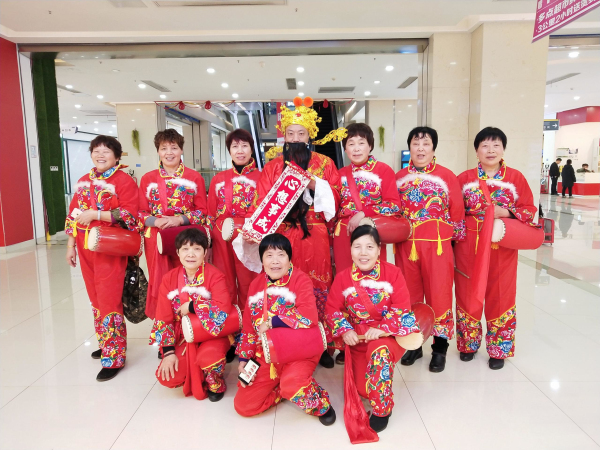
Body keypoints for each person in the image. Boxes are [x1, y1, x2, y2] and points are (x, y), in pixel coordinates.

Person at [236, 97, 344, 368]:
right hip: (283, 235)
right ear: (284, 136)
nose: (296, 138)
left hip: (316, 234)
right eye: (291, 133)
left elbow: (337, 198)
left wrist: (313, 184)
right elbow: (260, 203)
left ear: (310, 136)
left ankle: (321, 344)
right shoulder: (273, 167)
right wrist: (252, 228)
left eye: (301, 133)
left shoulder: (325, 164)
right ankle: (284, 339)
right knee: (285, 285)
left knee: (319, 286)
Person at [454, 127, 538, 370]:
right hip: (469, 246)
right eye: (485, 145)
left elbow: (529, 210)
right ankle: (468, 344)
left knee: (501, 294)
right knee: (467, 292)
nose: (490, 150)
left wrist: (508, 212)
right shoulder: (464, 178)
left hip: (502, 246)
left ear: (503, 149)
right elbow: (455, 212)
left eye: (496, 145)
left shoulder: (516, 178)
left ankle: (498, 349)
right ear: (476, 150)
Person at [234, 233, 336, 425]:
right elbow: (248, 328)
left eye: (281, 254)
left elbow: (309, 316)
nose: (275, 261)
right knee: (243, 406)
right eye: (269, 255)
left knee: (292, 383)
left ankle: (320, 403)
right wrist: (244, 360)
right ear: (261, 259)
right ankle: (282, 390)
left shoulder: (300, 279)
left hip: (299, 351)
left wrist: (272, 321)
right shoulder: (256, 285)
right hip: (267, 353)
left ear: (289, 258)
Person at [326, 225, 420, 433]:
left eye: (369, 247)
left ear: (379, 249)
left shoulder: (393, 273)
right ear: (350, 250)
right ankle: (376, 386)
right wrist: (345, 330)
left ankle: (382, 411)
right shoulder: (342, 277)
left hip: (386, 337)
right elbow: (332, 308)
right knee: (365, 390)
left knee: (379, 353)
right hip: (359, 339)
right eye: (357, 247)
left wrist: (383, 329)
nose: (363, 253)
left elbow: (402, 307)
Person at [65, 135, 139, 382]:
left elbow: (131, 214)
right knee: (95, 297)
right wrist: (71, 246)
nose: (100, 155)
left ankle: (114, 356)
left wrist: (96, 214)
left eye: (106, 151)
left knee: (108, 298)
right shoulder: (83, 180)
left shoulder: (123, 180)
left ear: (116, 156)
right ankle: (106, 342)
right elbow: (73, 215)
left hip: (110, 246)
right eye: (96, 150)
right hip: (85, 246)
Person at [395, 126, 465, 373]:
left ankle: (440, 349)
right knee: (409, 296)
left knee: (440, 295)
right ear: (409, 147)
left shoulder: (447, 176)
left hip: (437, 247)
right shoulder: (399, 177)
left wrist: (453, 243)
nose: (421, 149)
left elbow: (457, 213)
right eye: (416, 144)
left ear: (434, 148)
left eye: (426, 144)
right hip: (407, 247)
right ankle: (414, 345)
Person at [150, 228, 232, 401]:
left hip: (212, 334)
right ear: (178, 253)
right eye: (185, 249)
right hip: (184, 336)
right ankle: (197, 371)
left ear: (205, 252)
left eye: (196, 249)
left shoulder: (216, 276)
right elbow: (163, 317)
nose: (191, 254)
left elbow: (223, 308)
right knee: (168, 378)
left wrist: (193, 306)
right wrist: (168, 353)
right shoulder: (169, 279)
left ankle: (215, 380)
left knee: (209, 357)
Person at [138, 129, 208, 322]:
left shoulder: (194, 177)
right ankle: (164, 327)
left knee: (187, 279)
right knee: (161, 281)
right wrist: (155, 221)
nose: (169, 152)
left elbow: (202, 211)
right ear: (158, 151)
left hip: (186, 239)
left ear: (181, 150)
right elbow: (140, 213)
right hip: (156, 239)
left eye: (174, 147)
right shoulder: (148, 178)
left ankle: (187, 327)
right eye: (164, 148)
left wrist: (180, 219)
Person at [334, 122, 402, 274]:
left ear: (370, 146)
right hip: (344, 234)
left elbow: (394, 205)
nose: (356, 148)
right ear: (345, 149)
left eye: (361, 143)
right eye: (351, 144)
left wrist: (364, 213)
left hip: (371, 231)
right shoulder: (339, 174)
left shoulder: (383, 170)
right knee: (345, 277)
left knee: (372, 278)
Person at [208, 128, 260, 315]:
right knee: (224, 279)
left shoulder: (262, 178)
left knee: (250, 279)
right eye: (235, 146)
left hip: (249, 236)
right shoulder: (218, 179)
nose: (240, 151)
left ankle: (250, 322)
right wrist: (209, 244)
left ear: (251, 149)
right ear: (229, 150)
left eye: (244, 146)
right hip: (221, 237)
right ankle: (229, 322)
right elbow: (211, 213)